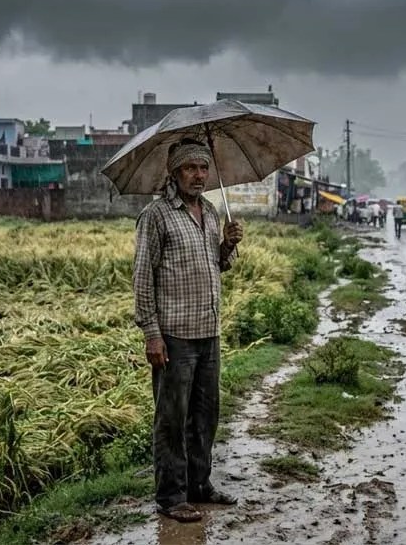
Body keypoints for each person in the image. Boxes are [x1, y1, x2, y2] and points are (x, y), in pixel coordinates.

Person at [133, 139, 245, 523]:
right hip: (175, 336)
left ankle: (200, 485)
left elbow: (216, 266)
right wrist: (151, 333)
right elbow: (143, 278)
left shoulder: (211, 212)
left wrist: (226, 247)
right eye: (190, 168)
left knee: (205, 415)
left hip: (208, 331)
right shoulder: (157, 215)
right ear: (174, 173)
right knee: (172, 418)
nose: (199, 175)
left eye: (203, 168)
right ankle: (171, 496)